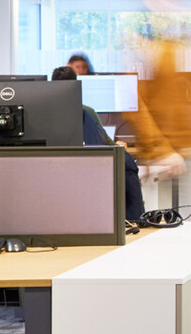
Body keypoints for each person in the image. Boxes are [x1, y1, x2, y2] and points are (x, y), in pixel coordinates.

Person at [54, 64, 142, 223]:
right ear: (77, 86)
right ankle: (135, 219)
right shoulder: (85, 110)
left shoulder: (44, 112)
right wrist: (118, 146)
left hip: (57, 166)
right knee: (127, 162)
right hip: (87, 167)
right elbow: (105, 142)